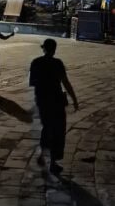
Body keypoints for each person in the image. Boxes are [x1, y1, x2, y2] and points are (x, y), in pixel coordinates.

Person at [29, 38, 78, 175]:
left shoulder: (36, 63)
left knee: (47, 127)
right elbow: (65, 82)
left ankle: (42, 152)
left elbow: (33, 82)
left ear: (43, 48)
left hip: (43, 100)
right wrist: (74, 99)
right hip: (56, 100)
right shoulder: (58, 63)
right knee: (58, 131)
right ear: (54, 49)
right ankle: (53, 162)